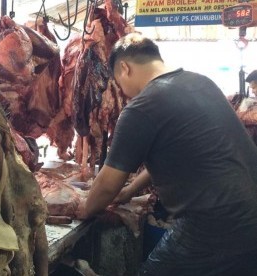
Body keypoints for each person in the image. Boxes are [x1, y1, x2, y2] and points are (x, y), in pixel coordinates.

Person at [80, 33, 257, 275]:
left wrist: (83, 210)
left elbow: (108, 184)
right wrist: (131, 191)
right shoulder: (202, 82)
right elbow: (180, 153)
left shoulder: (142, 107)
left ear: (124, 68)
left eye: (118, 84)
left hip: (214, 227)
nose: (122, 92)